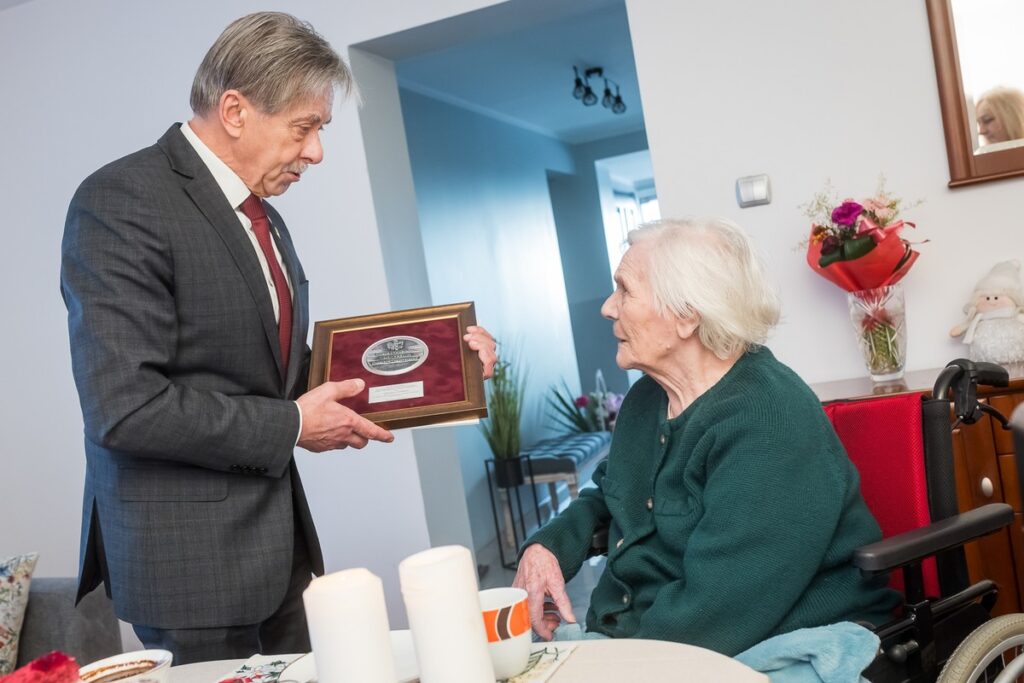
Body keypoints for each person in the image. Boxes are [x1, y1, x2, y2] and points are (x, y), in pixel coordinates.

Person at [60, 12, 496, 664]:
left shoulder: (263, 216)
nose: (316, 152)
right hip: (189, 567)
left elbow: (278, 374)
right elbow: (125, 407)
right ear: (235, 111)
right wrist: (293, 424)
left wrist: (443, 367)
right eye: (304, 127)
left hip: (278, 554)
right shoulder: (121, 200)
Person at [513, 218, 899, 657]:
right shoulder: (646, 399)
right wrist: (547, 546)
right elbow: (611, 492)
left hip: (769, 641)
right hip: (651, 639)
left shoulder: (766, 417)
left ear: (686, 316)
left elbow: (717, 611)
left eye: (624, 290)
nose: (607, 307)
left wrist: (611, 662)